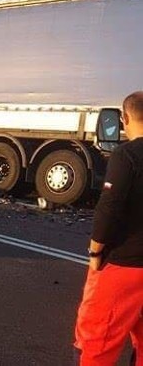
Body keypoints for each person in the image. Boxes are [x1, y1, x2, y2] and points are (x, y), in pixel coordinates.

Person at [74, 91, 143, 365]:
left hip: (123, 265)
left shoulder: (127, 155)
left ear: (124, 118)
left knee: (98, 342)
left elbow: (109, 206)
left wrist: (95, 251)